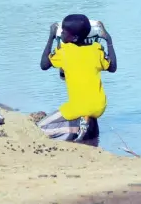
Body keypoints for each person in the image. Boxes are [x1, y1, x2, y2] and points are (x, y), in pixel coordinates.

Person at [40, 14, 117, 142]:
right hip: (99, 106)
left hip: (78, 107)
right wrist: (108, 39)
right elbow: (112, 67)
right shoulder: (96, 49)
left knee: (40, 128)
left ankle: (76, 129)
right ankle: (88, 128)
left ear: (74, 37)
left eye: (64, 32)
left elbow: (44, 65)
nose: (62, 33)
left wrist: (51, 37)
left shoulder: (64, 51)